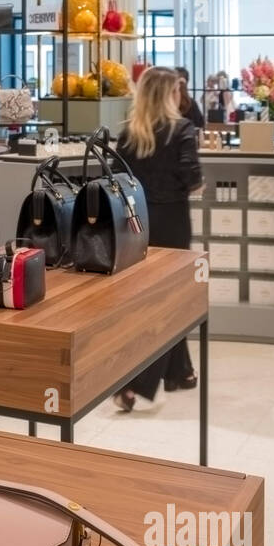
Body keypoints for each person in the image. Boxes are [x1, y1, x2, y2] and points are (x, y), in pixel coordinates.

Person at [113, 68, 203, 412]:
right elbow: (191, 176)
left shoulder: (127, 134)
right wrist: (194, 186)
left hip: (136, 223)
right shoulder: (182, 130)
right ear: (168, 94)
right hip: (172, 221)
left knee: (150, 296)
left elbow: (117, 177)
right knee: (172, 300)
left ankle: (181, 371)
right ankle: (136, 382)